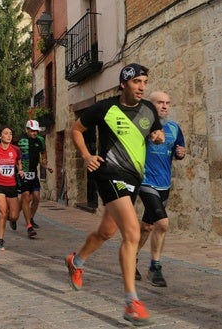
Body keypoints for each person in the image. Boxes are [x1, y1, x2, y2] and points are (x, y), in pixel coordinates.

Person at [65, 63, 164, 326]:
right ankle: (132, 302)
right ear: (123, 84)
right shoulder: (105, 108)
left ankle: (76, 260)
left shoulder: (149, 110)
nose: (142, 86)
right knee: (131, 232)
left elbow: (155, 130)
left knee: (106, 232)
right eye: (136, 82)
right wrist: (86, 156)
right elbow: (76, 130)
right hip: (109, 174)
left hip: (133, 178)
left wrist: (157, 135)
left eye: (144, 81)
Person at [135, 90, 185, 287]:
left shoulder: (174, 128)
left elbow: (178, 151)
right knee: (162, 223)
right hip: (146, 182)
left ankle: (132, 257)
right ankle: (155, 267)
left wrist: (181, 153)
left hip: (165, 183)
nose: (164, 106)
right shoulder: (141, 126)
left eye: (167, 102)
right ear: (151, 105)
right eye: (160, 103)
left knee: (147, 226)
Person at [17, 119, 50, 238]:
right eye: (32, 131)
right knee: (26, 197)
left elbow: (43, 154)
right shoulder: (20, 140)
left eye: (36, 131)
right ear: (27, 130)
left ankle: (28, 217)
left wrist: (46, 165)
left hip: (33, 173)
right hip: (23, 173)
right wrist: (19, 169)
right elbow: (16, 156)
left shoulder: (40, 140)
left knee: (36, 197)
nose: (34, 133)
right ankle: (28, 226)